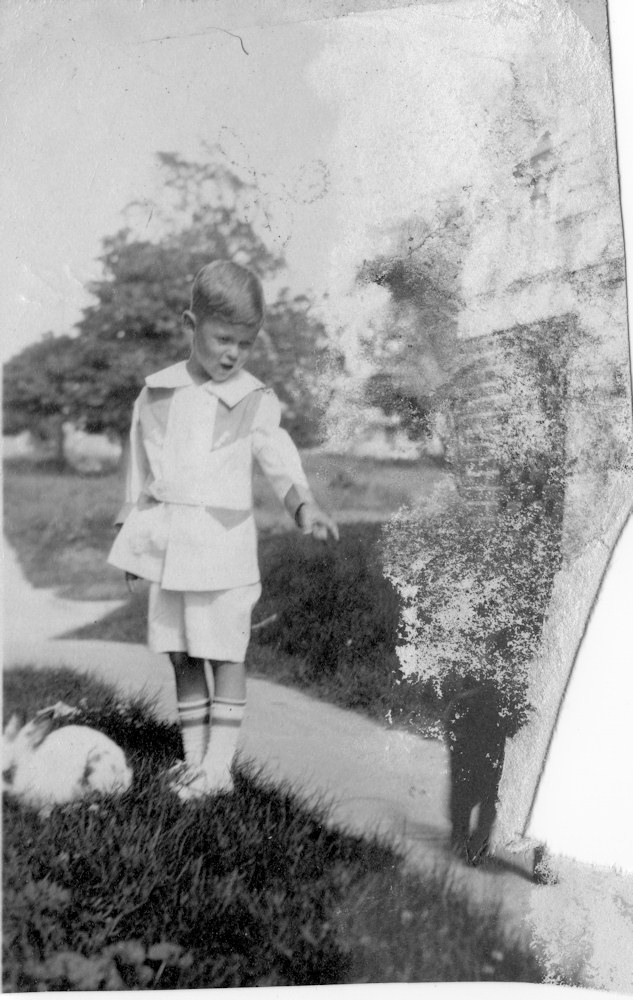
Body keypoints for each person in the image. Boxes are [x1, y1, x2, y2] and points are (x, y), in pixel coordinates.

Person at [108, 260, 339, 799]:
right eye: (222, 339)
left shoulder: (253, 397)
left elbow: (277, 457)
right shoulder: (156, 394)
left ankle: (219, 768)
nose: (233, 354)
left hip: (222, 547)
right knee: (183, 651)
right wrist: (130, 538)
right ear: (192, 325)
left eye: (245, 342)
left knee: (224, 650)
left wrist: (306, 508)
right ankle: (194, 763)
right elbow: (139, 470)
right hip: (168, 545)